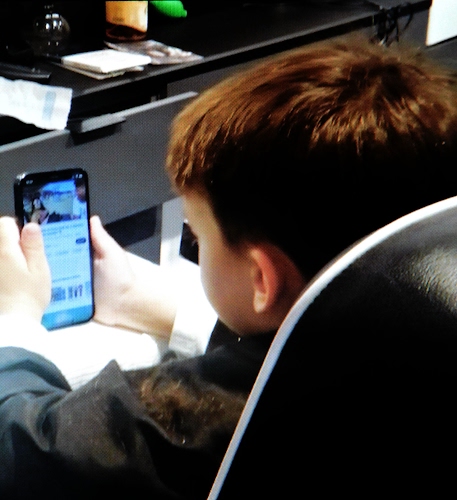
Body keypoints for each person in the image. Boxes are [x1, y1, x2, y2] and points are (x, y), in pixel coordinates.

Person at [2, 34, 457, 498]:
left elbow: (23, 451)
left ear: (262, 279)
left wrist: (15, 314)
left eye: (196, 237)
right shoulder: (403, 346)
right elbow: (284, 347)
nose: (195, 246)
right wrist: (156, 307)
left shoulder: (217, 416)